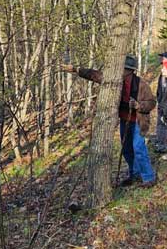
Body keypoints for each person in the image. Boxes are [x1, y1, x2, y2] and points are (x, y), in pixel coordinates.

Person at [61, 55, 157, 188]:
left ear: (129, 70)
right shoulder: (115, 80)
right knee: (126, 149)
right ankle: (134, 174)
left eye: (123, 68)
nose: (120, 71)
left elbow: (152, 103)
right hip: (124, 120)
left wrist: (138, 106)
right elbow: (95, 75)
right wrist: (76, 69)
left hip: (138, 122)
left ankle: (148, 178)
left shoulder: (141, 84)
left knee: (139, 148)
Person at [152, 52, 167, 153]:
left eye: (162, 57)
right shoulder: (163, 73)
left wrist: (164, 105)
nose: (161, 59)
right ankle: (162, 142)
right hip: (162, 103)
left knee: (163, 124)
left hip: (165, 105)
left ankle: (163, 144)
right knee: (161, 124)